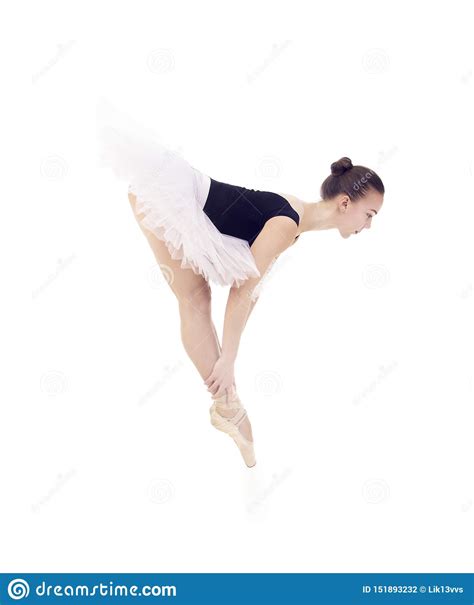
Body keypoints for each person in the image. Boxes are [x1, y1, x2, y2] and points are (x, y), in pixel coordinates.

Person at [96, 100, 385, 468]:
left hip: (174, 187)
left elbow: (250, 292)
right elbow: (242, 291)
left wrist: (231, 355)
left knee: (194, 297)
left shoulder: (293, 222)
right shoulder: (288, 224)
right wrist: (229, 359)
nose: (369, 225)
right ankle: (228, 408)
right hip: (173, 192)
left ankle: (228, 407)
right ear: (346, 203)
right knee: (194, 298)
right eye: (370, 215)